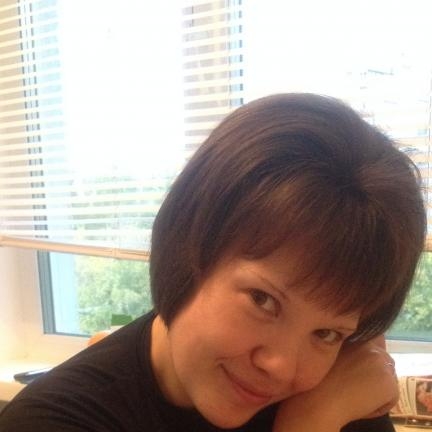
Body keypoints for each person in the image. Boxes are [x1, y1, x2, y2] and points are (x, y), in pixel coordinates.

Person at [0, 93, 426, 432]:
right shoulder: (52, 421)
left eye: (326, 333)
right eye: (263, 300)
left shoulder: (341, 383)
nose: (281, 366)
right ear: (187, 250)